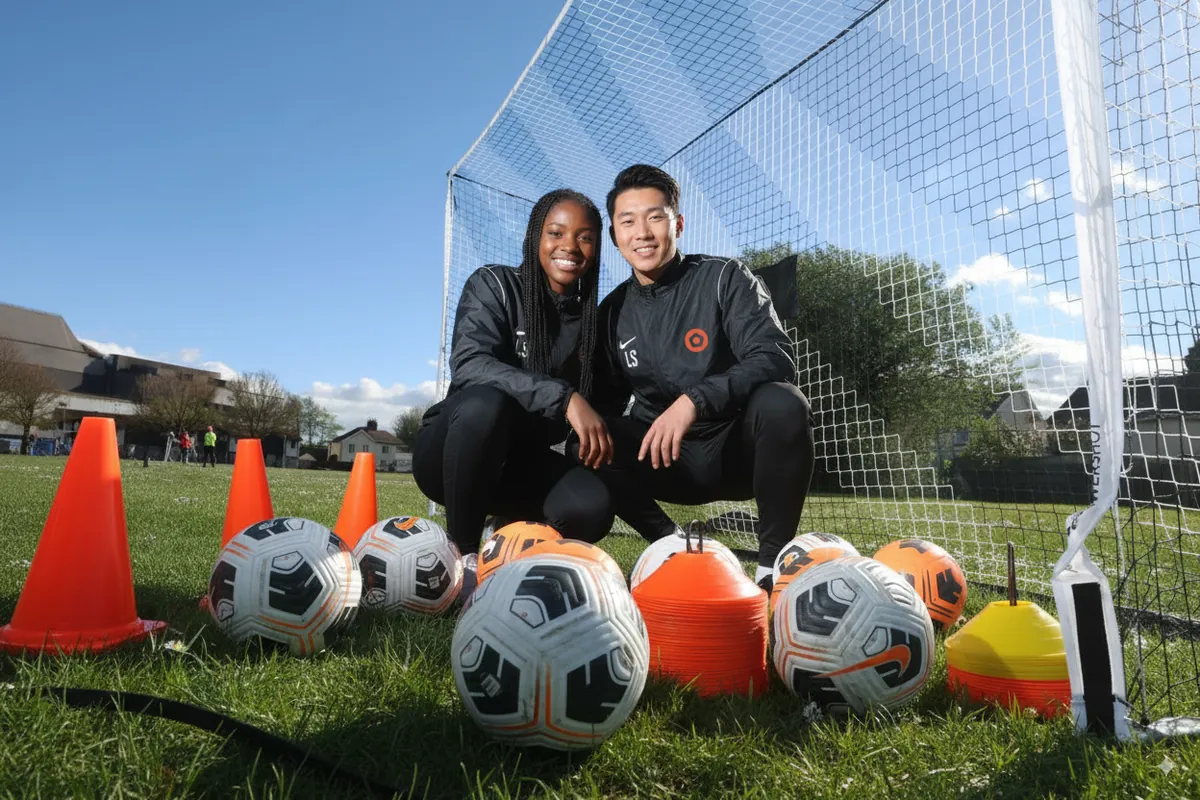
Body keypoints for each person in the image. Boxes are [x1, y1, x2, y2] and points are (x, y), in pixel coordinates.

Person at [588, 164, 816, 594]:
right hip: (665, 460)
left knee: (784, 402)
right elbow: (604, 403)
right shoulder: (612, 312)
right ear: (615, 236)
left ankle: (772, 568)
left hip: (734, 452)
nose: (643, 233)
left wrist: (694, 400)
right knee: (589, 432)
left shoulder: (724, 277)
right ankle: (669, 544)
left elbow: (775, 355)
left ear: (677, 223)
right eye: (628, 221)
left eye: (655, 217)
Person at [413, 189, 615, 597]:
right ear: (535, 237)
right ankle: (465, 557)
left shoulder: (593, 323)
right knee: (487, 402)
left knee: (592, 505)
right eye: (556, 233)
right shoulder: (495, 284)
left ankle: (506, 533)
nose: (570, 247)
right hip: (452, 451)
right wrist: (564, 398)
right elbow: (470, 365)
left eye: (585, 237)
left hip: (519, 467)